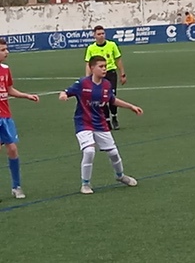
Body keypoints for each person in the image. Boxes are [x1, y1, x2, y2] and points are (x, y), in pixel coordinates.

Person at [58, 56, 143, 194]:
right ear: (92, 68)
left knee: (114, 153)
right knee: (89, 151)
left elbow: (112, 100)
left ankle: (120, 176)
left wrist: (131, 106)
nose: (104, 69)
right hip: (83, 123)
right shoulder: (82, 83)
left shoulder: (106, 85)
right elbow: (66, 92)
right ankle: (85, 184)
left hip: (100, 123)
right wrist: (63, 95)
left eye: (105, 66)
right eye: (101, 66)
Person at [0, 38, 40, 199]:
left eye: (6, 49)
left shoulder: (5, 69)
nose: (6, 52)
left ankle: (16, 186)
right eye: (2, 50)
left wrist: (26, 96)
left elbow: (9, 89)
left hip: (6, 116)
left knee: (13, 149)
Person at [84, 26, 128, 130]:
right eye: (98, 34)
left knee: (111, 97)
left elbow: (118, 60)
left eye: (103, 33)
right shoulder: (91, 48)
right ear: (94, 35)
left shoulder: (112, 45)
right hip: (98, 76)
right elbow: (88, 64)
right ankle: (107, 121)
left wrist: (122, 74)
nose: (101, 36)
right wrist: (87, 78)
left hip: (110, 74)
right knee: (101, 98)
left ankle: (114, 117)